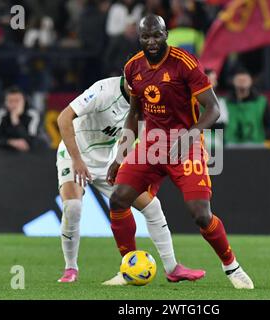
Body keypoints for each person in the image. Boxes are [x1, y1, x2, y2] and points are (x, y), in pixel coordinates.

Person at [106, 15, 254, 289]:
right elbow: (135, 113)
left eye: (156, 36)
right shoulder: (132, 67)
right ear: (139, 38)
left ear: (166, 34)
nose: (151, 42)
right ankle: (129, 266)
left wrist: (191, 135)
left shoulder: (184, 63)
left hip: (184, 143)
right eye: (145, 37)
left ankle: (232, 267)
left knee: (200, 213)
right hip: (151, 144)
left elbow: (213, 109)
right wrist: (121, 155)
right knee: (118, 199)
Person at [56, 75, 205, 283]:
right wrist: (77, 160)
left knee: (152, 206)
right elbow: (63, 118)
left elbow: (134, 133)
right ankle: (70, 269)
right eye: (133, 80)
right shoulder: (102, 90)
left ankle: (172, 268)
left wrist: (121, 161)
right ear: (125, 77)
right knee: (73, 207)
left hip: (109, 161)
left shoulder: (146, 99)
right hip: (76, 156)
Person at [225, 68, 270, 147]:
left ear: (251, 81)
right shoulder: (225, 102)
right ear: (233, 82)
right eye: (239, 80)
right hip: (231, 144)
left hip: (256, 144)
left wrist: (261, 136)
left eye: (244, 80)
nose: (242, 82)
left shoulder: (261, 102)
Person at [0, 86, 42, 152]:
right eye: (10, 101)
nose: (14, 104)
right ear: (5, 102)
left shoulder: (33, 115)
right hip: (4, 154)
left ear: (24, 101)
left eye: (17, 101)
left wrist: (15, 121)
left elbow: (33, 141)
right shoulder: (0, 114)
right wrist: (10, 142)